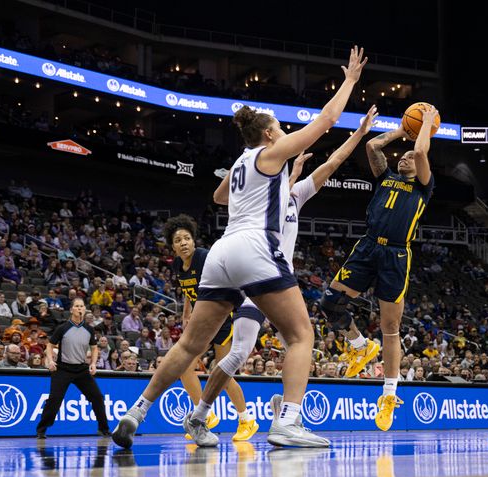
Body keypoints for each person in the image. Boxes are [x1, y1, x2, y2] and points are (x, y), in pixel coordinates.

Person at [112, 45, 367, 450]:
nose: (285, 134)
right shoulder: (270, 153)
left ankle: (136, 411)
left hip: (220, 252)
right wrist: (350, 81)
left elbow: (218, 198)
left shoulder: (240, 164)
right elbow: (327, 119)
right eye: (281, 130)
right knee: (301, 335)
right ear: (268, 134)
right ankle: (287, 423)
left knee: (190, 345)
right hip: (254, 248)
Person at [184, 106, 379, 446]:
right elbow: (224, 195)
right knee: (242, 351)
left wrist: (360, 134)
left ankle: (284, 412)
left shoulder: (295, 195)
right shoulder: (258, 187)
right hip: (257, 272)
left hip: (276, 278)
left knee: (295, 344)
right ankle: (209, 414)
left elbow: (331, 163)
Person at [321, 105, 439, 432]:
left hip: (396, 256)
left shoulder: (423, 187)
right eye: (402, 156)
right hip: (368, 245)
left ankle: (388, 394)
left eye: (410, 158)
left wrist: (425, 127)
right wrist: (402, 130)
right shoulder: (387, 177)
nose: (404, 158)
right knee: (329, 302)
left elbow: (420, 152)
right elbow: (373, 146)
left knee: (390, 327)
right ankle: (361, 347)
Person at [163, 213, 257, 441]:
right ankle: (204, 415)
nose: (183, 243)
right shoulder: (178, 265)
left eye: (187, 238)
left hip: (224, 318)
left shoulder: (204, 258)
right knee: (183, 367)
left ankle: (247, 420)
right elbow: (189, 290)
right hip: (204, 321)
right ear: (172, 247)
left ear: (194, 240)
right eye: (178, 240)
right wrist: (187, 311)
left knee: (222, 373)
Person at [35, 298, 110, 438]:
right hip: (63, 369)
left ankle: (103, 429)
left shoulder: (89, 329)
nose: (80, 308)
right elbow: (50, 346)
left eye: (82, 306)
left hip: (81, 369)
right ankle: (41, 429)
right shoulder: (62, 328)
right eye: (77, 306)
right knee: (54, 399)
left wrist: (93, 363)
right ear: (71, 309)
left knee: (97, 397)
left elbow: (94, 348)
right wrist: (50, 361)